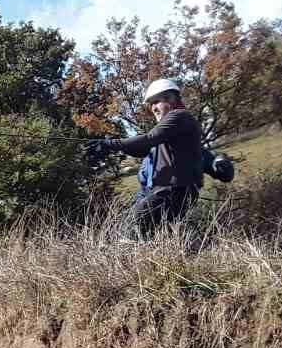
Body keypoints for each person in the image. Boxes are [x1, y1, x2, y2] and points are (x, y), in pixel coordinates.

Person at [88, 78, 205, 238]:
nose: (153, 108)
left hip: (173, 190)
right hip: (167, 190)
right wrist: (111, 147)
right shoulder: (172, 127)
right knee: (154, 234)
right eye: (151, 104)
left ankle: (129, 261)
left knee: (130, 227)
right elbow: (145, 149)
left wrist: (110, 144)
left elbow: (149, 138)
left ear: (172, 99)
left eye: (157, 102)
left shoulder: (179, 116)